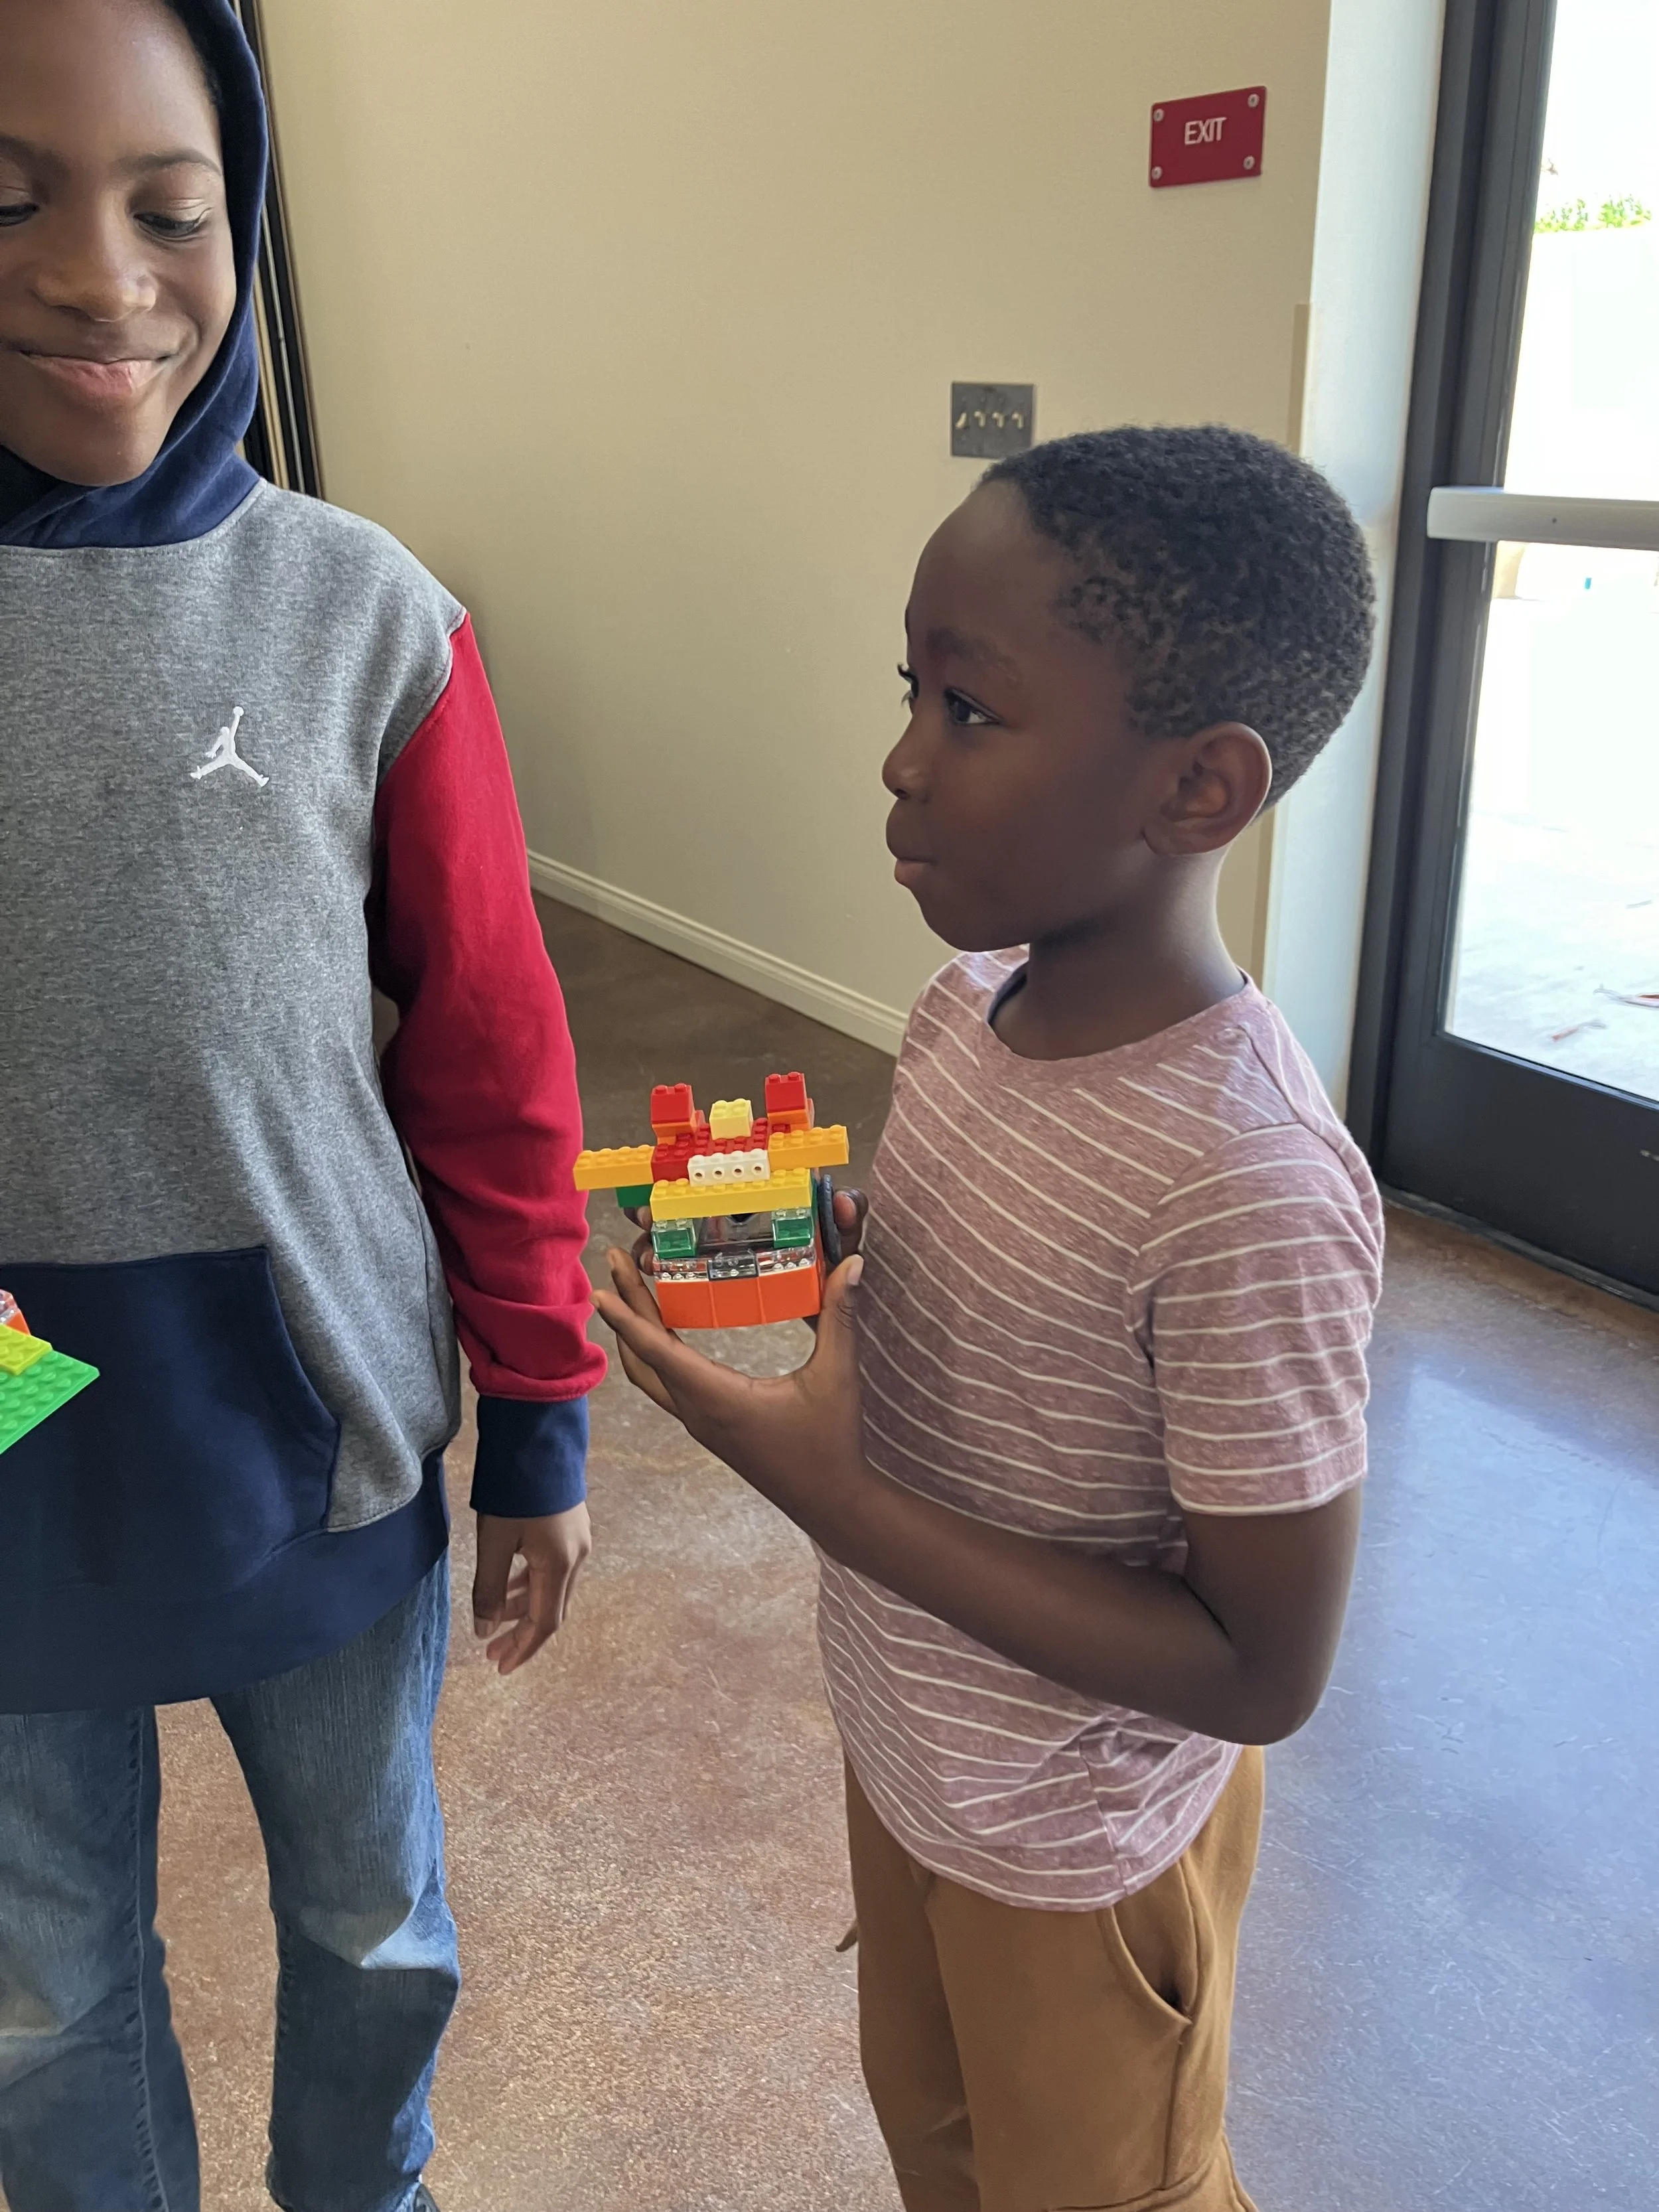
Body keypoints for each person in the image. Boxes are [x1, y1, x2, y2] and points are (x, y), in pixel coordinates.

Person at [600, 425, 1384, 2212]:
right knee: (939, 2148)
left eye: (969, 710)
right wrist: (820, 1255)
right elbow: (999, 1304)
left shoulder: (1249, 1184)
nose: (901, 758)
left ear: (1197, 789)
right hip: (914, 1751)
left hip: (1080, 1847)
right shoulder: (963, 1011)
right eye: (911, 692)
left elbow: (1263, 1670)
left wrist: (825, 1488)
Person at [0, 3, 603, 2209]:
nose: (101, 277)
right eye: (9, 199)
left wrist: (539, 1411)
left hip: (314, 1422)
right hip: (3, 1433)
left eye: (172, 210)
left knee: (371, 1922)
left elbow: (490, 1053)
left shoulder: (366, 617)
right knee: (42, 1991)